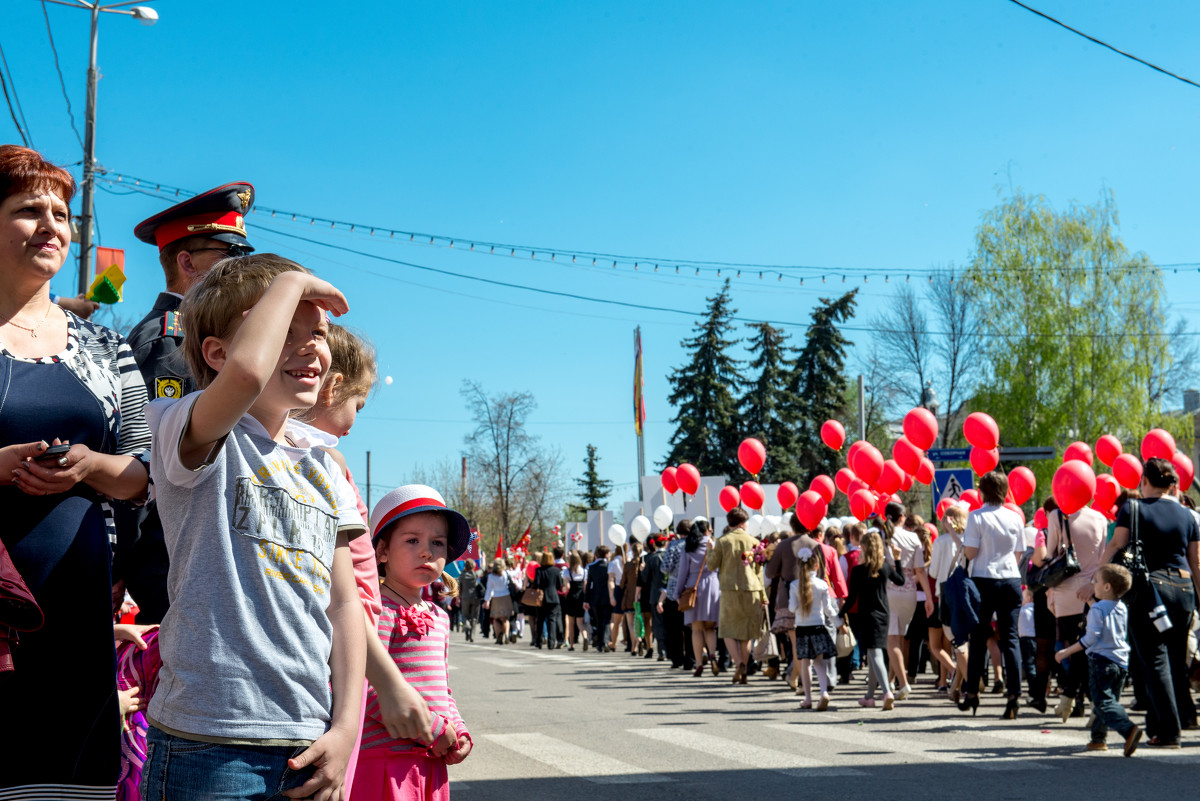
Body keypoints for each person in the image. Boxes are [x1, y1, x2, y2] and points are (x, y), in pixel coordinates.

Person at [140, 254, 366, 800]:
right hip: (209, 741)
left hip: (307, 738)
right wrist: (292, 282)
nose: (311, 345)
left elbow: (344, 605)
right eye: (286, 329)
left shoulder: (322, 463)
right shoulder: (189, 425)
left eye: (318, 332)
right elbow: (246, 375)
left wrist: (346, 728)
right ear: (216, 352)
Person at [0, 145, 152, 798]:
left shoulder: (108, 347)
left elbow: (146, 470)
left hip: (78, 611)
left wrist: (93, 466)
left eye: (62, 213)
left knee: (66, 783)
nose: (52, 225)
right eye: (29, 209)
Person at [115, 182, 257, 625]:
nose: (241, 269)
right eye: (229, 256)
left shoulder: (192, 336)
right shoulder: (168, 341)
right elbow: (157, 460)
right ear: (186, 261)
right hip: (170, 555)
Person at [301, 324, 434, 794]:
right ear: (334, 387)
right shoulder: (325, 463)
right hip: (339, 665)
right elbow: (348, 596)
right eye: (358, 405)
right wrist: (390, 683)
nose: (356, 419)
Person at [356, 485, 473, 799]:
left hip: (430, 760)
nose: (427, 552)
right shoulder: (379, 610)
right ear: (381, 552)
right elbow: (366, 684)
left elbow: (442, 689)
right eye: (412, 540)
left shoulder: (440, 617)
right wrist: (432, 728)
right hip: (385, 763)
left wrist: (457, 729)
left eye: (437, 542)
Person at [1101, 457, 1200, 747]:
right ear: (1171, 484)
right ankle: (1164, 723)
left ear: (1145, 481)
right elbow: (1196, 563)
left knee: (1154, 660)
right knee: (1174, 659)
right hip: (1183, 590)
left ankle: (1169, 731)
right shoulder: (1188, 515)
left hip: (1150, 591)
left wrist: (1094, 578)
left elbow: (1117, 544)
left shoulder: (1133, 508)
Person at [1054, 564, 1142, 756]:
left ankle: (1129, 730)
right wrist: (1092, 603)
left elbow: (1091, 638)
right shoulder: (1121, 607)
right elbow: (1106, 618)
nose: (1093, 585)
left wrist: (1066, 651)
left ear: (1107, 587)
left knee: (1102, 702)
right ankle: (1098, 739)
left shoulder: (1097, 610)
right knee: (1110, 701)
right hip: (1120, 662)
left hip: (1101, 661)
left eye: (1096, 581)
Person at [959, 471, 1025, 719]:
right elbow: (1019, 554)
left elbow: (971, 553)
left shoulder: (976, 517)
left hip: (983, 579)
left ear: (982, 491)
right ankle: (1014, 696)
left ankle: (973, 694)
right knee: (1010, 639)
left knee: (977, 639)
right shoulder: (1015, 517)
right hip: (1010, 578)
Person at [1044, 501, 1109, 722]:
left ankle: (1073, 697)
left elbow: (1050, 554)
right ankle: (1087, 702)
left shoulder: (1057, 516)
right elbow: (1102, 559)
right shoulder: (1100, 518)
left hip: (1065, 591)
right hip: (1092, 589)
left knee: (1076, 648)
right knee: (1087, 649)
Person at [839, 529, 905, 709]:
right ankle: (869, 696)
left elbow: (852, 598)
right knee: (874, 655)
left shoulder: (858, 571)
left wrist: (840, 613)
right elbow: (900, 580)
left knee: (875, 655)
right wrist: (898, 559)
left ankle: (886, 693)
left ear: (865, 548)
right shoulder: (885, 567)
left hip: (867, 616)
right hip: (884, 615)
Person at [707, 508, 768, 685]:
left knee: (727, 631)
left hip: (729, 590)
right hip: (752, 590)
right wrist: (763, 596)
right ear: (743, 523)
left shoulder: (723, 541)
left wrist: (710, 550)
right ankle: (743, 665)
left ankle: (739, 664)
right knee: (746, 633)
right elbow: (759, 571)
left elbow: (711, 566)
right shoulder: (754, 541)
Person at [881, 502, 934, 701]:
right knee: (900, 639)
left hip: (889, 590)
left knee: (892, 640)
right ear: (902, 517)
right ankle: (891, 681)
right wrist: (928, 598)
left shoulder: (882, 536)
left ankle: (903, 684)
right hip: (910, 592)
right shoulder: (913, 537)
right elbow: (920, 571)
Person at [789, 545, 839, 710]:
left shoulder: (795, 585)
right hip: (818, 626)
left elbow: (791, 608)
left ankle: (808, 698)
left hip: (802, 628)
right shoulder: (822, 584)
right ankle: (824, 692)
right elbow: (828, 609)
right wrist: (839, 622)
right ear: (816, 566)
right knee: (820, 663)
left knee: (805, 663)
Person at [928, 505, 969, 703]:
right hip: (967, 590)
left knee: (954, 639)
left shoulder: (941, 541)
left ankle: (967, 682)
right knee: (961, 639)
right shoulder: (970, 539)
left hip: (946, 591)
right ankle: (956, 685)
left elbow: (934, 572)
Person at [674, 518, 721, 676]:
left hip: (693, 587)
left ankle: (699, 663)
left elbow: (682, 573)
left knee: (696, 628)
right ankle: (713, 655)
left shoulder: (689, 546)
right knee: (710, 627)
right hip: (713, 586)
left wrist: (677, 592)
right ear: (707, 530)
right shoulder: (714, 544)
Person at [659, 520, 694, 669]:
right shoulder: (696, 545)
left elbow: (665, 568)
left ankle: (676, 658)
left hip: (674, 590)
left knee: (674, 627)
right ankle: (691, 659)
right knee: (691, 627)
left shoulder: (674, 546)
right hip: (692, 589)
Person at [533, 551, 565, 649]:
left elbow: (536, 584)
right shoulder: (556, 570)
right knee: (552, 620)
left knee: (540, 620)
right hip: (554, 597)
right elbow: (560, 585)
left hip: (542, 597)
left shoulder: (539, 570)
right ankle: (551, 643)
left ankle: (538, 641)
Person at [584, 545, 613, 651]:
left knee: (598, 620)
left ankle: (601, 643)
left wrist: (586, 600)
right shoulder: (609, 566)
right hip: (607, 596)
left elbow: (588, 585)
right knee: (606, 620)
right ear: (606, 554)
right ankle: (605, 641)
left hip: (594, 597)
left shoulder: (591, 567)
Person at [640, 535, 664, 659]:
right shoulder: (667, 555)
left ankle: (656, 649)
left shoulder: (648, 559)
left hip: (652, 594)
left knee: (654, 623)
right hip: (666, 593)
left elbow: (643, 579)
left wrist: (642, 570)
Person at [618, 540, 643, 655]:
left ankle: (635, 644)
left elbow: (622, 583)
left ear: (632, 552)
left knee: (630, 624)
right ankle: (636, 644)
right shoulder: (643, 565)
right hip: (641, 596)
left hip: (629, 597)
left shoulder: (628, 565)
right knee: (641, 621)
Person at [483, 558, 514, 644]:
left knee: (496, 619)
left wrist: (486, 600)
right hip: (506, 596)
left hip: (496, 597)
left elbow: (489, 589)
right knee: (505, 618)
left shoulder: (491, 576)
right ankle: (507, 635)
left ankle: (499, 636)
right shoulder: (506, 574)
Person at [563, 551, 588, 650]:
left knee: (571, 622)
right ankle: (585, 637)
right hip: (581, 598)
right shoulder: (584, 571)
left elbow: (567, 586)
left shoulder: (567, 571)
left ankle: (572, 644)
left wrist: (564, 589)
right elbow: (585, 588)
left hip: (571, 598)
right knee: (580, 622)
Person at [459, 562, 482, 642]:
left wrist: (458, 597)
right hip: (475, 598)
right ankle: (472, 635)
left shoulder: (462, 576)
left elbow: (459, 588)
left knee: (465, 616)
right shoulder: (475, 574)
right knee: (474, 617)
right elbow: (482, 569)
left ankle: (467, 626)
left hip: (465, 597)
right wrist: (483, 558)